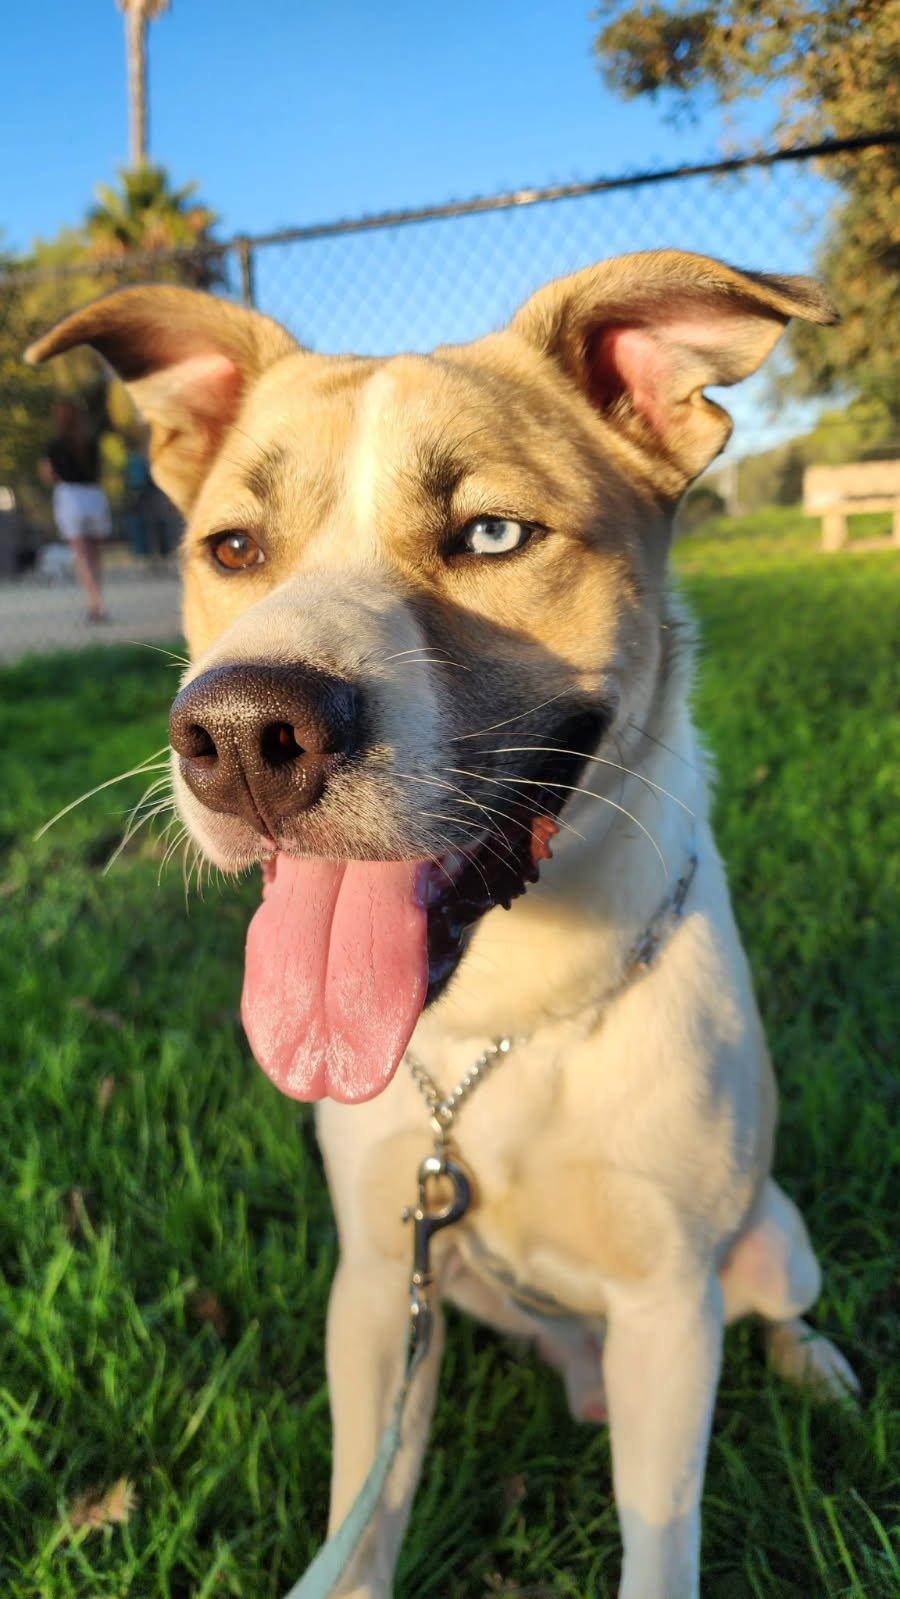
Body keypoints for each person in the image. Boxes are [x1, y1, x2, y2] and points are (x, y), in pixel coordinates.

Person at [39, 400, 112, 623]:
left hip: (70, 496)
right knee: (95, 553)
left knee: (81, 554)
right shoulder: (91, 442)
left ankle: (94, 602)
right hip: (93, 496)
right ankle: (98, 598)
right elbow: (100, 470)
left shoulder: (54, 445)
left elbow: (48, 476)